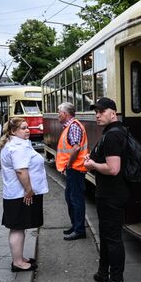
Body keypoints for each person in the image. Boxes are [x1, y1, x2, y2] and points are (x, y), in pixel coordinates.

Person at [84, 97, 128, 282]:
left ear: (113, 113)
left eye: (101, 112)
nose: (97, 115)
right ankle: (103, 273)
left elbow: (113, 169)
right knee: (106, 235)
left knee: (113, 238)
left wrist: (92, 165)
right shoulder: (117, 131)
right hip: (111, 194)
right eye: (96, 112)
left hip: (111, 195)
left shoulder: (112, 136)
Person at [0, 118, 48, 272]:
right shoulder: (17, 147)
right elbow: (21, 170)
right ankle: (18, 263)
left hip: (17, 194)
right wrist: (29, 190)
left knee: (19, 228)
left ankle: (19, 258)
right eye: (23, 128)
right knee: (17, 228)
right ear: (13, 131)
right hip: (20, 194)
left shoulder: (18, 144)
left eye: (27, 127)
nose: (27, 130)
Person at [56, 102, 89, 240]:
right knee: (70, 198)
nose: (58, 115)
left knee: (76, 200)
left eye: (59, 112)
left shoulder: (73, 126)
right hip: (72, 169)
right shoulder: (70, 126)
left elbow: (75, 148)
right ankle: (75, 226)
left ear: (64, 114)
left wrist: (69, 164)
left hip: (75, 169)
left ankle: (79, 230)